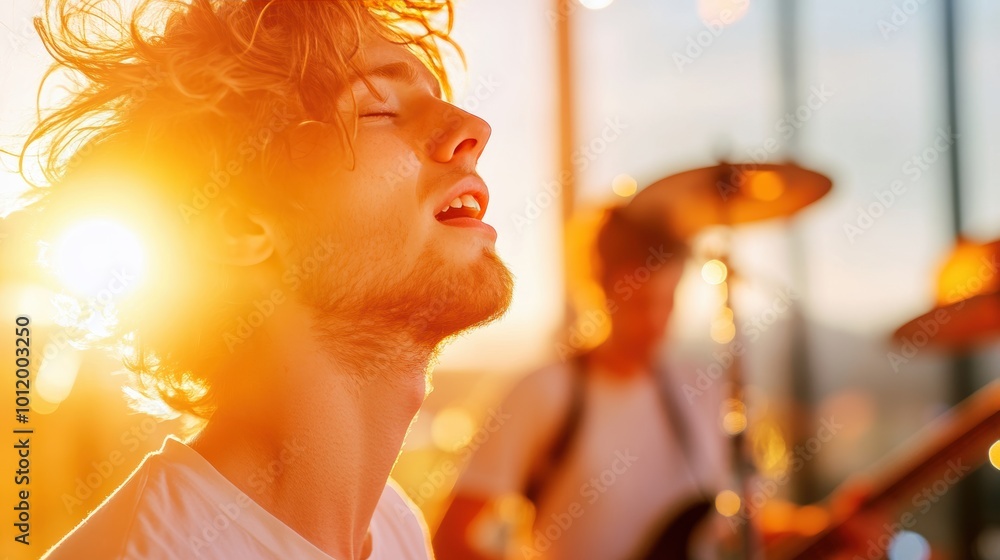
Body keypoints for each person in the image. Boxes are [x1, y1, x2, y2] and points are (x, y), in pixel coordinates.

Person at [16, 1, 514, 559]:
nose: (473, 128)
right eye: (376, 110)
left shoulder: (396, 529)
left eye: (438, 98)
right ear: (240, 225)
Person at [434, 208, 729, 560]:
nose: (654, 321)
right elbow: (452, 539)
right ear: (600, 292)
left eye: (667, 302)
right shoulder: (544, 391)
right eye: (638, 304)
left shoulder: (702, 388)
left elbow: (733, 526)